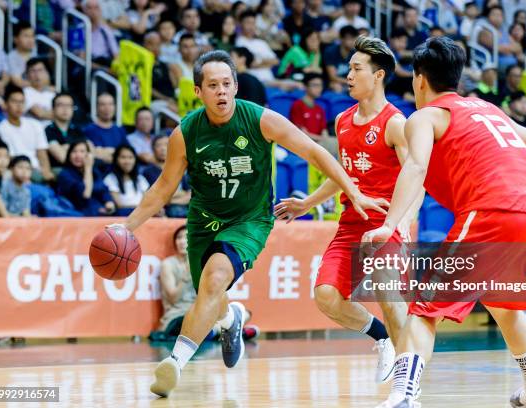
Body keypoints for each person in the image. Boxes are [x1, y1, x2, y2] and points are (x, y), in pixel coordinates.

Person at [114, 49, 386, 397]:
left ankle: (175, 362)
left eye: (227, 84)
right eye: (212, 85)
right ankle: (231, 320)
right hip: (203, 221)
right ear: (198, 92)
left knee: (214, 279)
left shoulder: (261, 120)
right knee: (210, 296)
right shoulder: (185, 133)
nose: (221, 92)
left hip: (249, 220)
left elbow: (317, 152)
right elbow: (163, 188)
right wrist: (127, 227)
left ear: (236, 86)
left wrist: (354, 193)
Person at [362, 36, 526, 408]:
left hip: (495, 212)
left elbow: (416, 165)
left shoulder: (423, 117)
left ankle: (403, 396)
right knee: (504, 303)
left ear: (419, 79)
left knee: (424, 309)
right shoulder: (487, 109)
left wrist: (389, 224)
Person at [276, 36, 423, 385]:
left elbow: (417, 178)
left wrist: (401, 223)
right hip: (350, 224)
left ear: (379, 76)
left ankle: (406, 384)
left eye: (357, 69)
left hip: (386, 222)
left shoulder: (395, 123)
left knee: (389, 295)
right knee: (326, 296)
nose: (348, 75)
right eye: (349, 68)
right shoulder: (342, 120)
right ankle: (382, 338)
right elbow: (344, 176)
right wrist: (307, 203)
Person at [155, 225, 259, 342]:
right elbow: (173, 298)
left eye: (186, 237)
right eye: (179, 238)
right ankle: (229, 331)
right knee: (191, 325)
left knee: (245, 313)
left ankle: (222, 330)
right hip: (177, 316)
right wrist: (187, 273)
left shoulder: (204, 263)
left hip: (202, 314)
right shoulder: (168, 264)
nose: (182, 242)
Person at [0, 85, 54, 182]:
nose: (19, 106)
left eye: (22, 102)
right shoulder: (1, 128)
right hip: (19, 170)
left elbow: (42, 153)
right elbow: (9, 157)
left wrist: (47, 171)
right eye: (14, 101)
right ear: (6, 104)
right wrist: (26, 171)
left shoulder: (35, 124)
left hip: (38, 169)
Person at [56, 140, 116, 216]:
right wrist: (88, 168)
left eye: (82, 152)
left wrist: (109, 203)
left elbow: (103, 190)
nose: (78, 155)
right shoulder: (65, 174)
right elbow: (86, 194)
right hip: (77, 213)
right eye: (74, 151)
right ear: (69, 154)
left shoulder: (95, 172)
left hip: (98, 210)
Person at [142, 135, 190, 218]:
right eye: (159, 145)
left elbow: (190, 195)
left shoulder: (179, 168)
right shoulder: (148, 171)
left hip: (181, 206)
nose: (163, 148)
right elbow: (155, 196)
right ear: (153, 149)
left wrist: (171, 200)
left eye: (166, 145)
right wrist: (180, 193)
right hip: (161, 210)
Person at [103, 145, 150, 216]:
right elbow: (119, 205)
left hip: (141, 214)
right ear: (116, 159)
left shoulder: (140, 178)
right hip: (123, 215)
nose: (127, 161)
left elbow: (147, 201)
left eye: (130, 157)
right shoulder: (110, 179)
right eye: (123, 157)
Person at [83, 93, 129, 164]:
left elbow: (127, 153)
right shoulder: (88, 130)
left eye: (110, 104)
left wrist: (104, 151)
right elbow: (91, 154)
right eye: (103, 104)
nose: (107, 108)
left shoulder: (120, 130)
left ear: (115, 107)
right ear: (97, 107)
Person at [45, 93, 85, 169]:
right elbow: (62, 157)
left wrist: (66, 147)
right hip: (60, 170)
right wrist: (78, 149)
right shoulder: (48, 131)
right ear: (53, 109)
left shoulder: (77, 130)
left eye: (69, 105)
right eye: (61, 105)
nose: (65, 109)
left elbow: (90, 152)